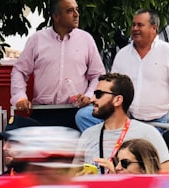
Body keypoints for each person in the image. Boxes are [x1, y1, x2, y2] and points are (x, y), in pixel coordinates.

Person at [77, 9, 169, 140]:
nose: (135, 28)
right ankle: (106, 148)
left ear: (154, 28)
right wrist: (92, 99)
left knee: (135, 154)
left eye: (140, 25)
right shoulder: (123, 55)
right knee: (83, 116)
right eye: (133, 25)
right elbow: (111, 86)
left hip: (154, 123)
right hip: (125, 116)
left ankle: (115, 149)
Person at [10, 0, 105, 131]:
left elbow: (98, 75)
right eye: (70, 11)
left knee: (75, 152)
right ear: (56, 16)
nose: (77, 14)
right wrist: (19, 96)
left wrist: (89, 96)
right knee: (44, 151)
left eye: (77, 9)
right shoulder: (37, 40)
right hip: (43, 112)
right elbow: (19, 71)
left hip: (76, 113)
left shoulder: (86, 40)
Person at [75, 73, 169, 175]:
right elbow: (73, 177)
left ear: (118, 100)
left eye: (99, 94)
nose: (92, 99)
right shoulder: (88, 134)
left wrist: (118, 176)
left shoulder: (147, 133)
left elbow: (168, 179)